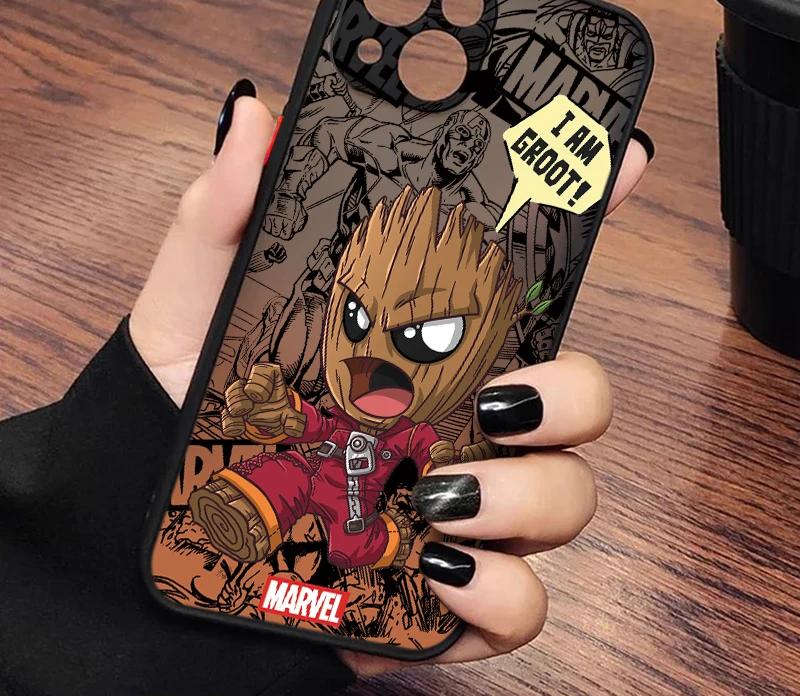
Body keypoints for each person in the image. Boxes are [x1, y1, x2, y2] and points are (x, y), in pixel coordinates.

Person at [0, 80, 655, 695]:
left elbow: (428, 456)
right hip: (313, 464)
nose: (370, 359)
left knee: (354, 545)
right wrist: (269, 414)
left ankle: (387, 541)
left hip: (359, 504)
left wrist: (446, 469)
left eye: (430, 336)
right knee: (276, 476)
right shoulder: (381, 170)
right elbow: (315, 425)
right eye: (357, 318)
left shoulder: (419, 426)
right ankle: (245, 509)